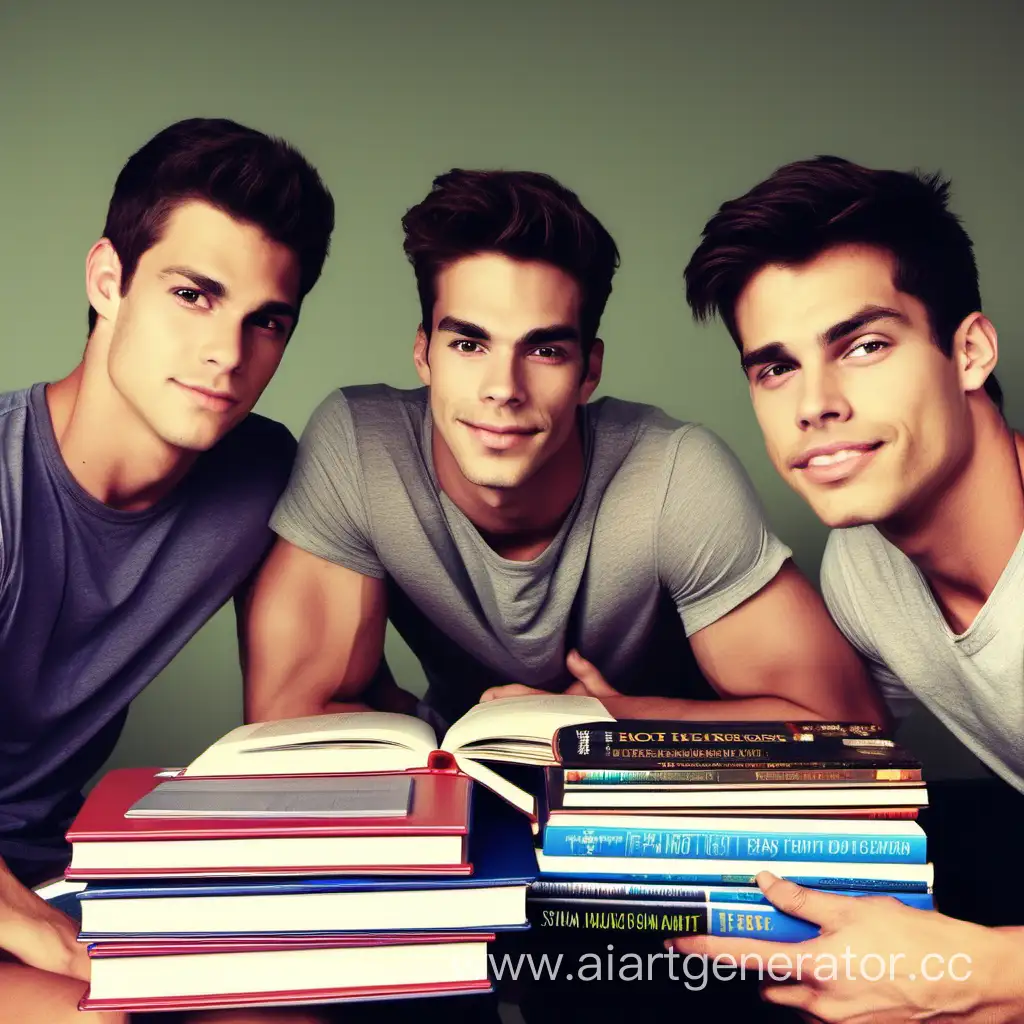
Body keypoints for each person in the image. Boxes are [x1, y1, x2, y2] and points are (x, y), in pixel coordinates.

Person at [242, 167, 886, 1023]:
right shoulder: (360, 446)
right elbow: (288, 731)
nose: (502, 387)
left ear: (588, 370)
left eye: (543, 347)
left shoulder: (671, 475)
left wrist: (610, 723)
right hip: (463, 832)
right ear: (424, 351)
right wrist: (432, 747)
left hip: (660, 846)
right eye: (469, 343)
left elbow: (850, 738)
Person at [673, 155, 1024, 1023]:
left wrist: (978, 979)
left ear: (969, 351)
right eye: (775, 368)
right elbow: (845, 761)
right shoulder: (863, 571)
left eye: (864, 345)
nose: (815, 404)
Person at [0, 117, 334, 1024]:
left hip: (59, 879)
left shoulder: (258, 475)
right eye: (193, 295)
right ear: (109, 281)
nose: (229, 353)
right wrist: (29, 926)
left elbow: (314, 702)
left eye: (267, 320)